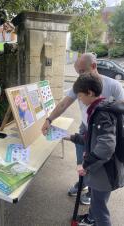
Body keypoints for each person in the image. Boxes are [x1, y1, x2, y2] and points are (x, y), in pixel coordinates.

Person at [41, 52, 124, 205]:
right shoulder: (81, 84)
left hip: (105, 133)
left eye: (81, 72)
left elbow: (121, 112)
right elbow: (63, 104)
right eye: (77, 72)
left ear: (93, 66)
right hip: (86, 128)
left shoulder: (113, 85)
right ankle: (84, 182)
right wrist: (49, 119)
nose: (79, 76)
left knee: (98, 163)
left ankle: (94, 192)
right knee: (82, 161)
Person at [65, 74, 124, 226]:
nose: (79, 100)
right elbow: (93, 138)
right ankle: (92, 220)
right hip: (106, 171)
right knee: (98, 203)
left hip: (104, 173)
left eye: (80, 96)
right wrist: (72, 137)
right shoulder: (101, 106)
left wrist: (85, 165)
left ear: (90, 93)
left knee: (100, 211)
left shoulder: (102, 113)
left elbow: (106, 147)